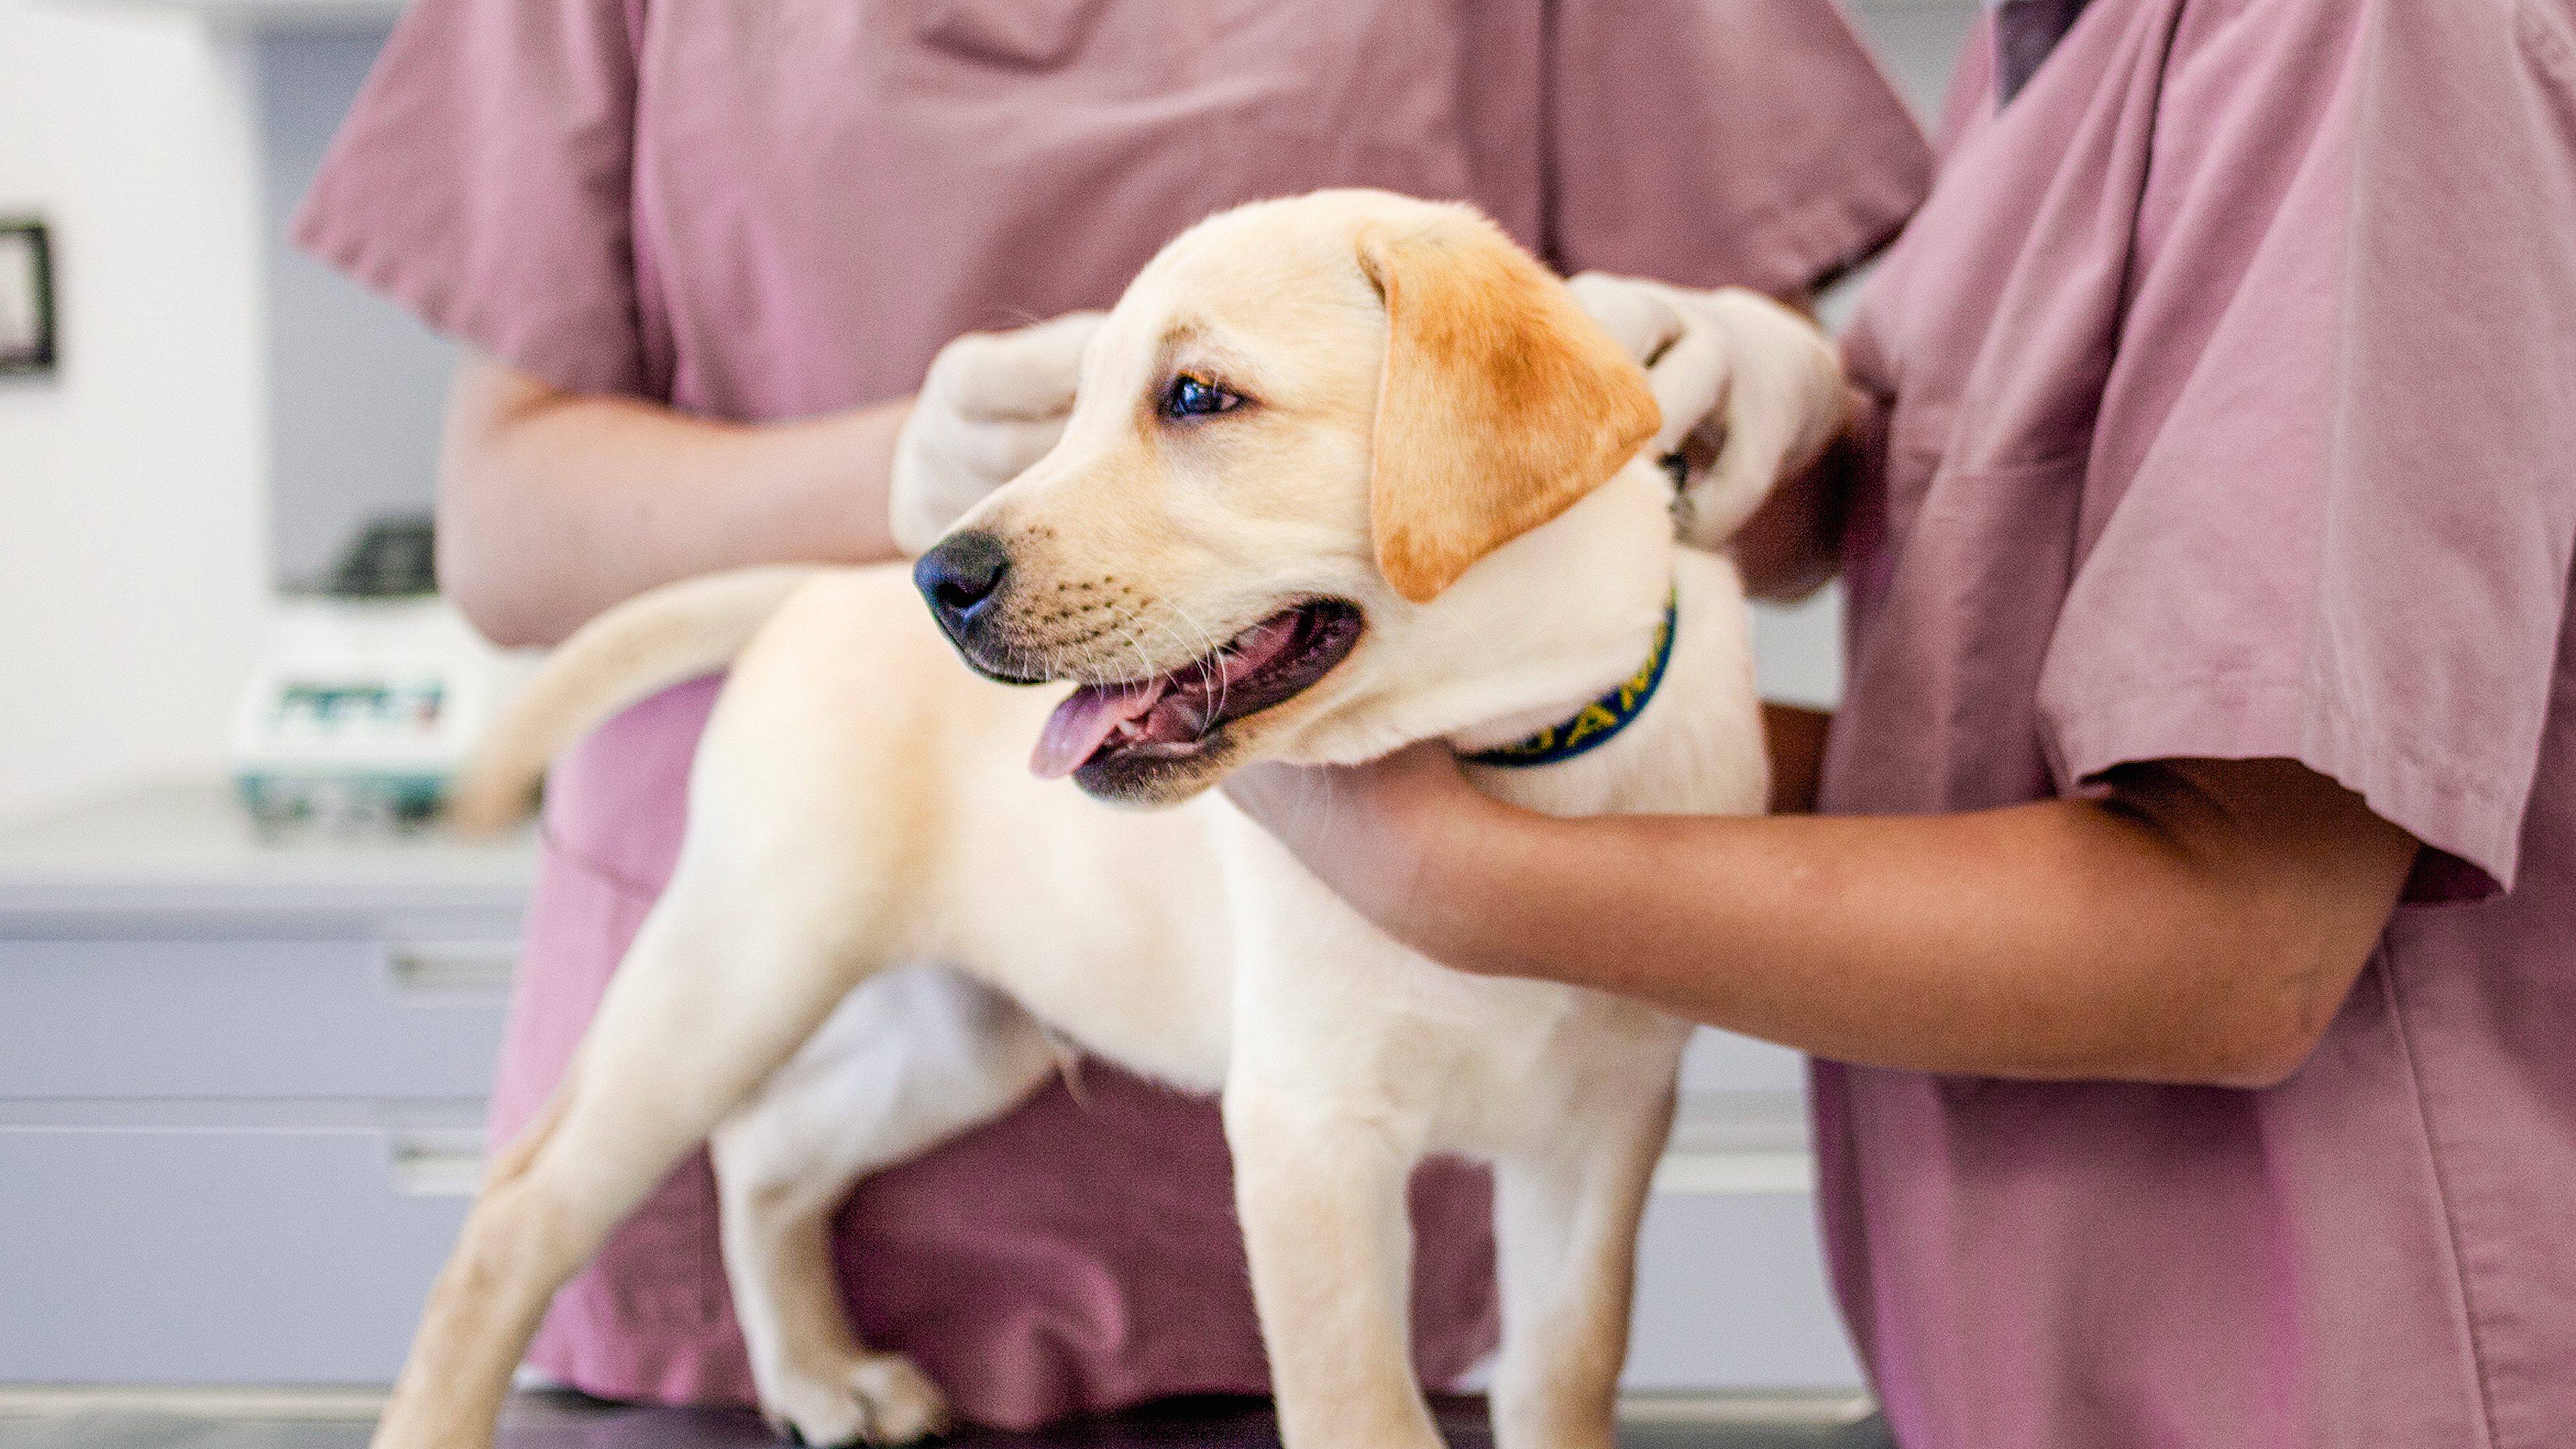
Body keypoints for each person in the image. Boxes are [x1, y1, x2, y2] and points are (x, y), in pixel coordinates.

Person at [292, 0, 1932, 1429]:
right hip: (867, 757)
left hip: (1371, 1101)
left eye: (1196, 400)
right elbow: (500, 532)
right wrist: (895, 482)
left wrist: (1763, 397)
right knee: (646, 1121)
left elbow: (1793, 503)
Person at [1224, 2, 2576, 1445]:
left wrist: (1453, 871)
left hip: (2329, 1382)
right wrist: (1788, 429)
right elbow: (1965, 705)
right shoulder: (2050, 47)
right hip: (1995, 1369)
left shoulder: (2366, 35)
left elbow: (2247, 948)